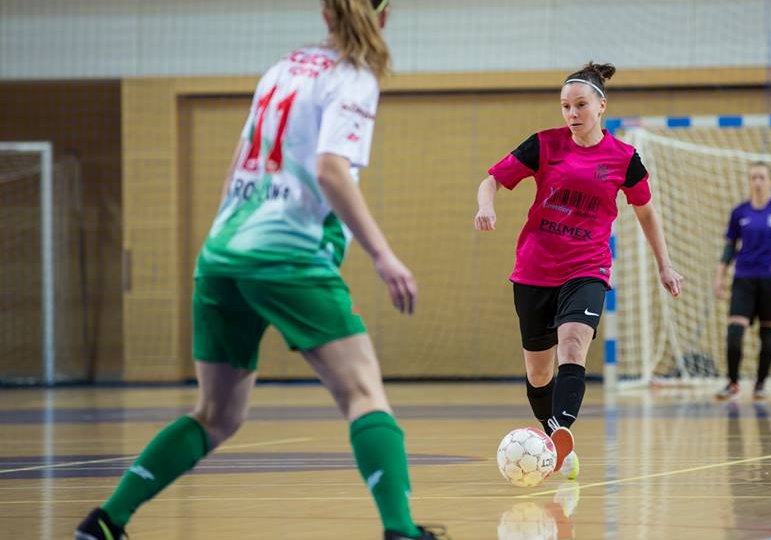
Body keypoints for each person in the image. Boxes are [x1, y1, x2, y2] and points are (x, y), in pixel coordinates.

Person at [75, 2, 445, 539]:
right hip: (287, 254)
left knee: (215, 414)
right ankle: (401, 530)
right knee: (364, 394)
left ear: (326, 12)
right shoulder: (355, 77)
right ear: (385, 18)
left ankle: (105, 522)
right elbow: (331, 171)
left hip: (222, 254)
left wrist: (228, 242)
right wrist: (383, 255)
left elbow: (238, 162)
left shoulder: (282, 68)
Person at [474, 62, 683, 480]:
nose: (572, 113)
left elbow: (646, 212)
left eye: (581, 105)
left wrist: (665, 264)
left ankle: (561, 432)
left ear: (601, 106)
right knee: (538, 372)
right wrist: (486, 204)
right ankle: (555, 439)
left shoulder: (625, 158)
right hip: (533, 271)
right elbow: (492, 179)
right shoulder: (544, 144)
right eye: (565, 106)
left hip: (587, 268)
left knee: (573, 346)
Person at [713, 161, 771, 401]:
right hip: (743, 280)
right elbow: (729, 248)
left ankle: (760, 384)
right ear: (749, 182)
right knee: (734, 334)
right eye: (753, 177)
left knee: (768, 337)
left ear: (769, 180)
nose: (757, 182)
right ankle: (732, 383)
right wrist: (719, 277)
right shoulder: (739, 212)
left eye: (761, 177)